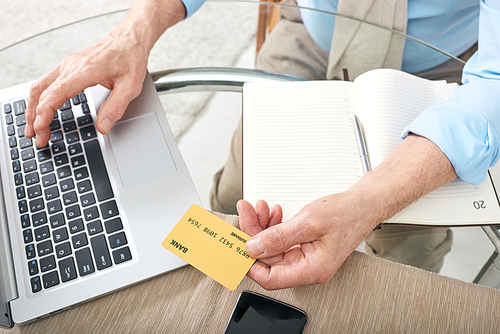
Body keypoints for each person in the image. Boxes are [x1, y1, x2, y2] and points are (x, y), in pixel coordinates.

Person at [24, 0, 500, 290]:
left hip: (436, 68)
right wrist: (133, 31)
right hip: (313, 28)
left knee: (404, 257)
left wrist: (371, 202)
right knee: (236, 194)